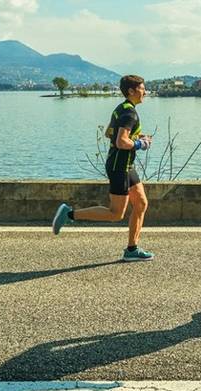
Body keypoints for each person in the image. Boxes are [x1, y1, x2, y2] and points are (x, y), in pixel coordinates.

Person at [52, 75, 154, 262]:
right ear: (131, 91)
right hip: (119, 167)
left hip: (125, 165)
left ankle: (132, 249)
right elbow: (121, 141)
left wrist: (137, 137)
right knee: (116, 214)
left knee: (141, 204)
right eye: (142, 88)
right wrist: (140, 144)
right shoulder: (130, 113)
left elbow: (109, 133)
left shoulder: (121, 108)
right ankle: (69, 214)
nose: (145, 92)